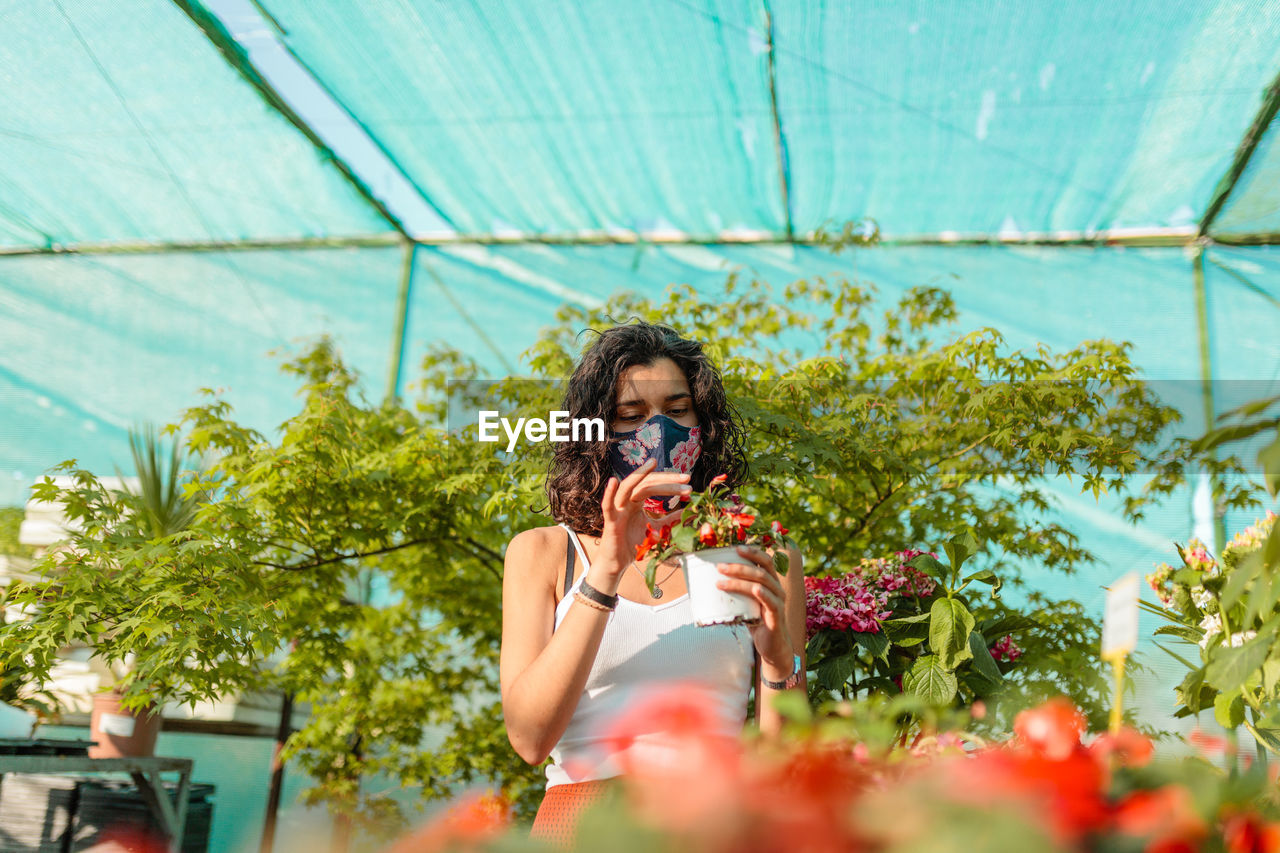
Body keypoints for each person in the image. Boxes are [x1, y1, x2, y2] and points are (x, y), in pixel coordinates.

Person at [499, 321, 806, 847]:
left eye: (677, 410)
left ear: (702, 423)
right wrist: (607, 571)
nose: (658, 430)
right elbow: (528, 737)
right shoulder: (545, 553)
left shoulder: (762, 556)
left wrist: (780, 662)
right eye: (630, 416)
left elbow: (791, 769)